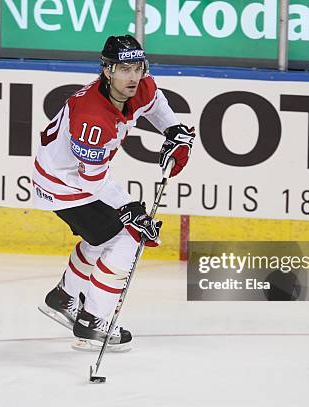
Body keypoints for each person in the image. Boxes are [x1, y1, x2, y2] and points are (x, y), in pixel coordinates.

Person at [34, 35, 195, 351]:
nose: (134, 76)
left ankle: (64, 298)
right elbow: (90, 181)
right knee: (128, 236)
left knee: (103, 236)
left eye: (138, 67)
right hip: (64, 183)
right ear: (107, 70)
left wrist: (173, 130)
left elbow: (156, 101)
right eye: (124, 68)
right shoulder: (92, 118)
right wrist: (131, 208)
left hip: (69, 178)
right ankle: (93, 321)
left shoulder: (139, 86)